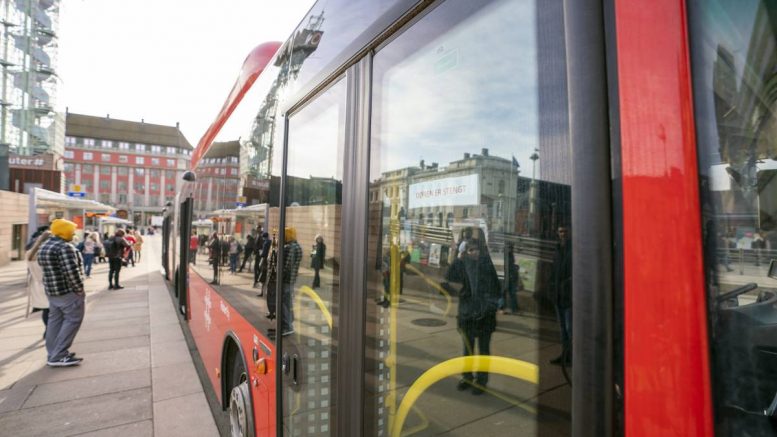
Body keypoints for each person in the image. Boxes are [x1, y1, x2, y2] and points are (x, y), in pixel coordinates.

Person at [445, 229, 500, 395]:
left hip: (484, 315)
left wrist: (490, 306)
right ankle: (467, 378)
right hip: (468, 314)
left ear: (480, 250)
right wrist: (457, 259)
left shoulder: (487, 265)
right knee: (467, 349)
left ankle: (481, 381)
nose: (473, 252)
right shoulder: (462, 265)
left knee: (483, 350)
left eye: (475, 249)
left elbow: (496, 288)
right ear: (466, 252)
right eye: (470, 250)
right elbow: (449, 276)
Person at [37, 219, 85, 367]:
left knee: (54, 322)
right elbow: (72, 272)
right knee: (73, 320)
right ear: (65, 231)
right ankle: (59, 355)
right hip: (67, 292)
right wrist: (79, 289)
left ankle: (53, 353)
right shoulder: (65, 247)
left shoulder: (44, 245)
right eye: (71, 230)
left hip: (52, 292)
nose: (73, 233)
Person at [550, 226, 572, 365]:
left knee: (570, 330)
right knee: (563, 330)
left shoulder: (573, 249)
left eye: (565, 231)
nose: (562, 234)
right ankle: (565, 355)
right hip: (558, 295)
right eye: (560, 232)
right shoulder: (557, 249)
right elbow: (553, 271)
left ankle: (572, 356)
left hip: (569, 297)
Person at [26, 229, 52, 339]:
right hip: (47, 283)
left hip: (36, 284)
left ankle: (47, 330)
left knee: (46, 310)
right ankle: (49, 330)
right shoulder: (45, 252)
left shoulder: (30, 253)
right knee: (51, 310)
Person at [281, 227, 302, 336]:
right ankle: (290, 321)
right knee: (288, 301)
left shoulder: (290, 247)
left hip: (286, 279)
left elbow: (287, 266)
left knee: (284, 302)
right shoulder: (298, 246)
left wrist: (280, 276)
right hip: (292, 279)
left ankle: (288, 326)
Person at [500, 244, 520, 315]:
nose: (511, 249)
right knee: (506, 293)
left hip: (508, 277)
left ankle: (512, 309)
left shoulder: (508, 255)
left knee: (507, 293)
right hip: (507, 277)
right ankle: (508, 308)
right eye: (510, 248)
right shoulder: (507, 256)